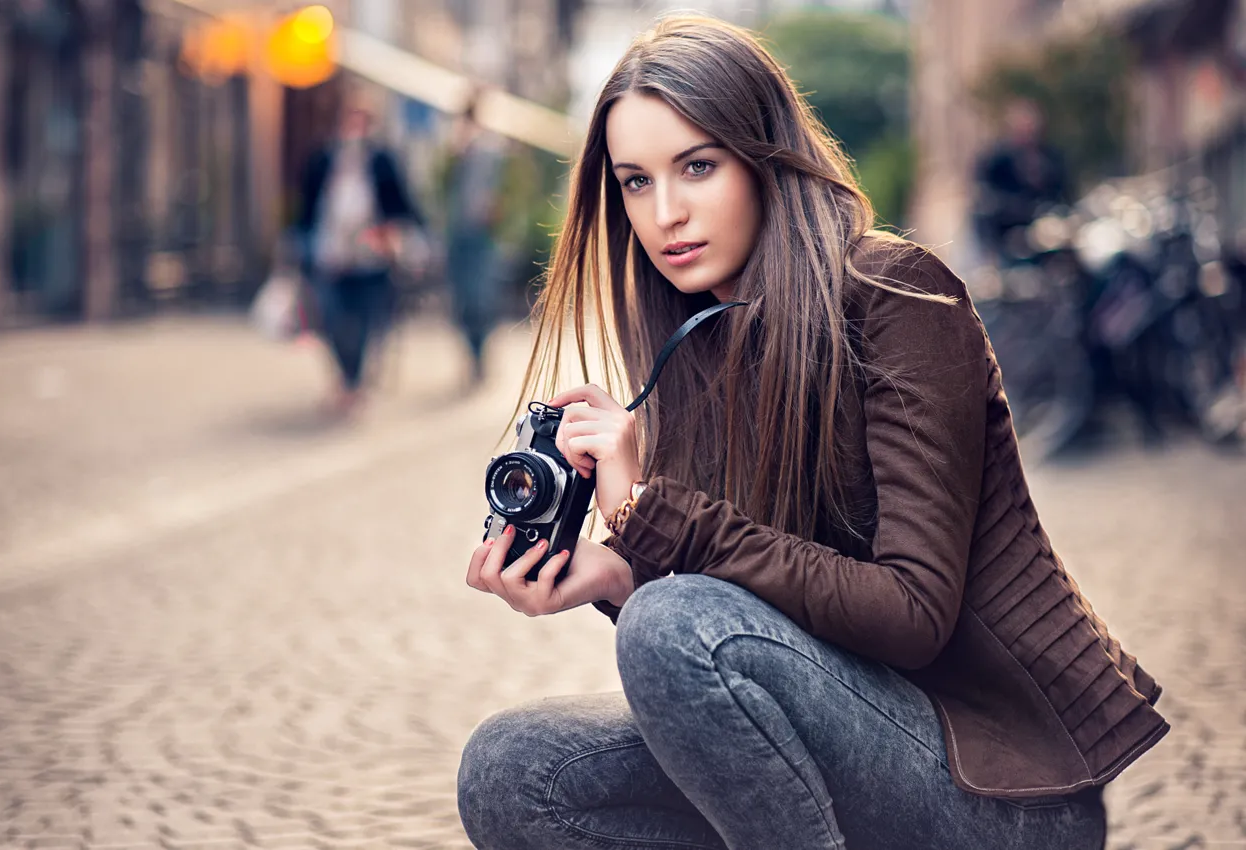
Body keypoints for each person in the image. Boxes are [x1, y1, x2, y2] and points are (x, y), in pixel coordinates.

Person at [456, 16, 1168, 850]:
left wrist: (650, 514)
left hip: (1002, 795)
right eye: (636, 182)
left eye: (697, 166)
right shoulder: (698, 340)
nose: (667, 213)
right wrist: (616, 573)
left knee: (672, 623)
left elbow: (909, 612)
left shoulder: (899, 298)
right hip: (848, 750)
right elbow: (751, 631)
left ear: (764, 161)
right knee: (510, 771)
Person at [297, 86, 422, 417]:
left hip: (370, 258)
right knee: (332, 319)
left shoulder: (382, 160)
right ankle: (346, 376)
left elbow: (401, 204)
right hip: (331, 255)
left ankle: (354, 383)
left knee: (366, 322)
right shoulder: (324, 158)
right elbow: (307, 207)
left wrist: (395, 235)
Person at [444, 90, 507, 387]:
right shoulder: (458, 148)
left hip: (482, 235)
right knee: (463, 299)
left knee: (479, 298)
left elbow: (504, 189)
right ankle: (472, 356)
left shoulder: (490, 148)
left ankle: (480, 357)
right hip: (460, 232)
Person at [972, 97, 1070, 264]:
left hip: (1047, 235)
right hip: (1009, 235)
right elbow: (987, 198)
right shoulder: (997, 161)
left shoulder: (1050, 157)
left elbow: (1064, 193)